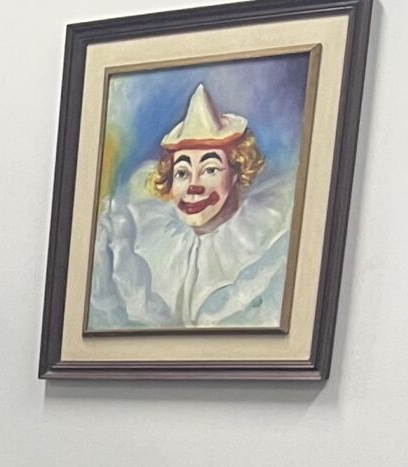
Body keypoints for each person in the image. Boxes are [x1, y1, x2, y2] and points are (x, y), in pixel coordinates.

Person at [89, 81, 294, 331]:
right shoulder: (138, 236)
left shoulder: (268, 240)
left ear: (236, 172)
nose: (193, 186)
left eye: (210, 169)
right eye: (182, 173)